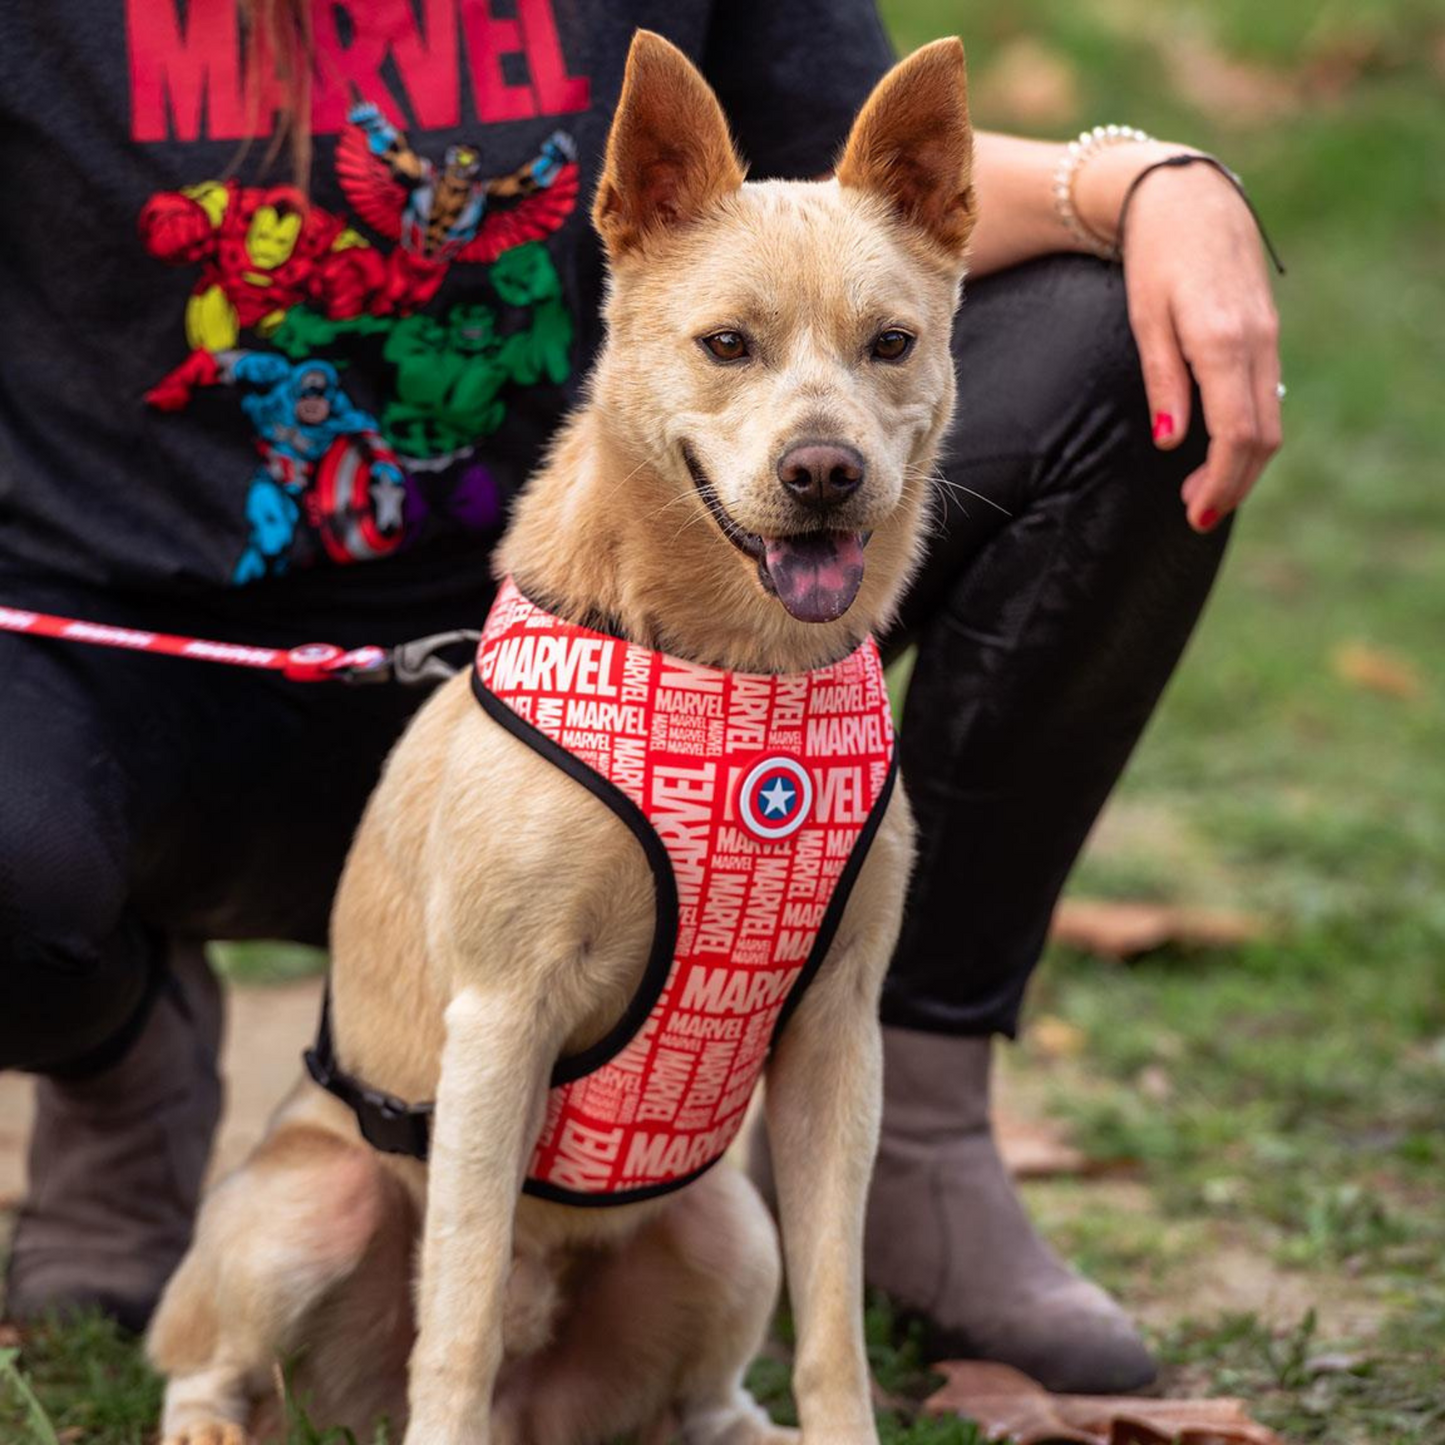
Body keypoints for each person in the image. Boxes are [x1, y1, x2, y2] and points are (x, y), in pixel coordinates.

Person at [0, 0, 1280, 1394]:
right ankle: (115, 1059)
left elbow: (846, 185)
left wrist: (1147, 182)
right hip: (131, 663)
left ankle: (909, 1112)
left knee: (1126, 341)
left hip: (605, 622)